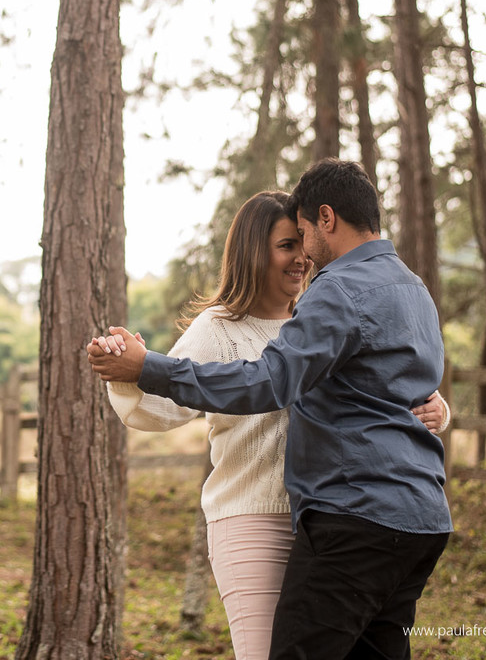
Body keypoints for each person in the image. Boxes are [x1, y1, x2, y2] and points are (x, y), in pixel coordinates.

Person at [88, 159, 453, 660]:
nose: (303, 252)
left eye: (302, 234)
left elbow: (271, 381)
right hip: (413, 517)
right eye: (288, 243)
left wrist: (149, 366)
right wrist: (135, 371)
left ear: (326, 218)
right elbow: (394, 378)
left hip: (351, 515)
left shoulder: (337, 293)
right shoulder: (413, 288)